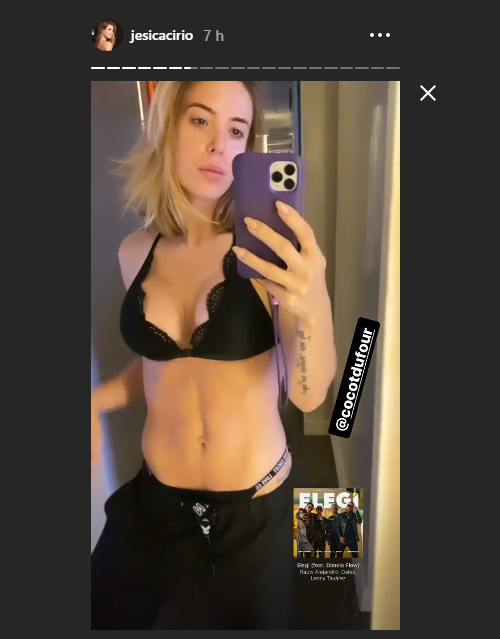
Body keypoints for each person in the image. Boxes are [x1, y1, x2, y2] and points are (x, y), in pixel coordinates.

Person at [91, 81, 337, 630]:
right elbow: (162, 368)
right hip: (155, 502)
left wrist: (314, 304)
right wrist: (96, 400)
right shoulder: (134, 252)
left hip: (260, 510)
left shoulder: (267, 252)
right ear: (167, 128)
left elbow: (309, 394)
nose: (218, 145)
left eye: (236, 130)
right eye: (200, 120)